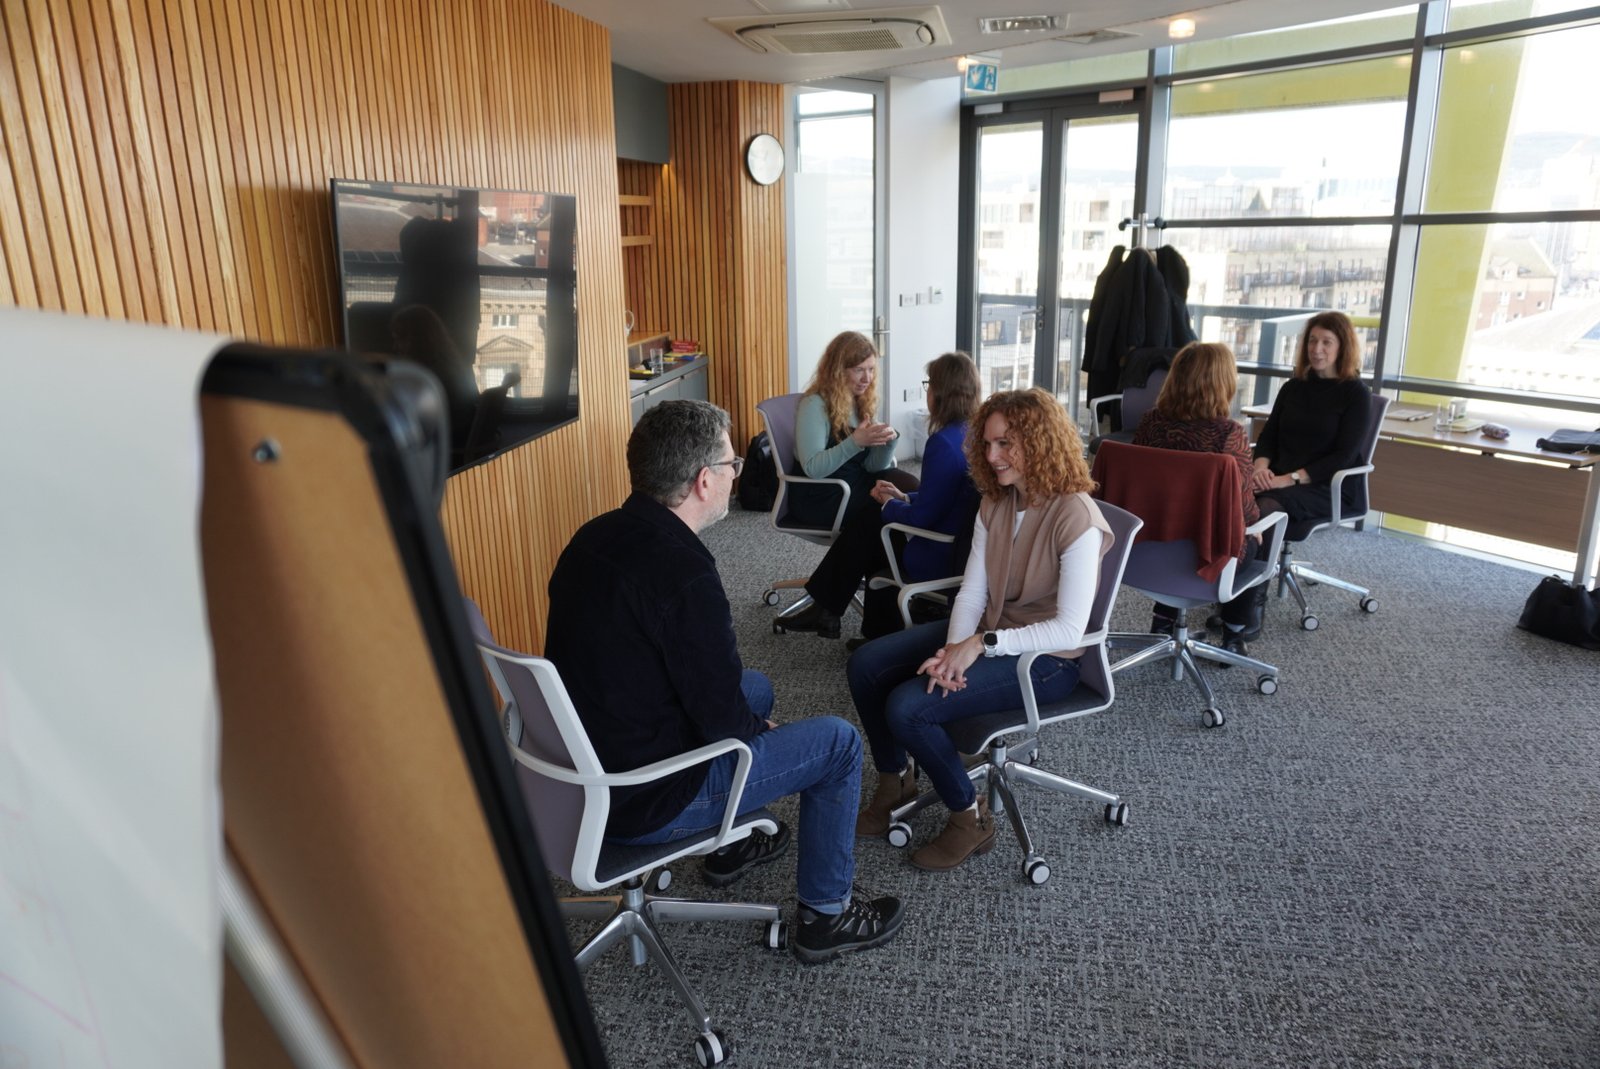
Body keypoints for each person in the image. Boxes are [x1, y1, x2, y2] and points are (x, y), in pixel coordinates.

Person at [544, 400, 906, 964]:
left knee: (755, 685)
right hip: (644, 798)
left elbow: (710, 687)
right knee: (836, 744)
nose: (739, 473)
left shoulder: (592, 536)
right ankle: (826, 915)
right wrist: (760, 731)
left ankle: (732, 844)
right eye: (733, 463)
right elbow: (722, 719)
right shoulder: (686, 574)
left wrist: (750, 718)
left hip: (581, 763)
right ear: (703, 480)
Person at [845, 389, 1113, 872]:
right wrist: (953, 653)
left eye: (1005, 443)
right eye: (987, 444)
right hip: (987, 634)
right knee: (867, 664)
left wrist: (979, 645)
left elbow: (1070, 629)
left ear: (1040, 442)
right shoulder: (996, 501)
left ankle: (969, 816)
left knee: (908, 707)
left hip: (1047, 660)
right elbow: (972, 593)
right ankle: (896, 781)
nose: (992, 456)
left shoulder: (1077, 518)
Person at [775, 352, 983, 646]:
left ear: (940, 393)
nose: (866, 377)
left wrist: (891, 504)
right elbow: (945, 495)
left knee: (875, 520)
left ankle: (830, 608)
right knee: (876, 520)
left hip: (940, 552)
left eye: (929, 385)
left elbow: (924, 518)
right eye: (859, 369)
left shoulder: (941, 443)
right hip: (962, 546)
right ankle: (868, 628)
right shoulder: (972, 432)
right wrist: (903, 498)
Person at [1131, 341, 1262, 652]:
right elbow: (1244, 510)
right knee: (1253, 536)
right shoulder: (1230, 434)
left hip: (1145, 553)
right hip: (1202, 557)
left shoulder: (1151, 423)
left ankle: (1163, 622)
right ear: (1223, 383)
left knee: (1173, 521)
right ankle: (1234, 633)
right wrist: (1256, 526)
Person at [786, 331, 919, 529]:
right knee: (891, 510)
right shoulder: (814, 404)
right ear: (838, 371)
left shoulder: (860, 400)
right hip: (822, 494)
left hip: (855, 480)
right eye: (859, 370)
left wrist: (887, 443)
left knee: (913, 489)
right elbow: (813, 469)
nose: (867, 378)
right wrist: (856, 442)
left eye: (871, 369)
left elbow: (872, 467)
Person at [1250, 311, 1372, 524]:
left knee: (1265, 508)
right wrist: (1260, 470)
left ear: (1342, 347)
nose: (1317, 349)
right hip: (1279, 477)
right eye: (1312, 341)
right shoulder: (1292, 388)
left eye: (1327, 342)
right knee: (1228, 497)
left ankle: (1253, 558)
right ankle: (1233, 557)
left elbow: (1344, 456)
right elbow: (1269, 436)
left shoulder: (1356, 393)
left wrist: (1289, 480)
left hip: (1325, 485)